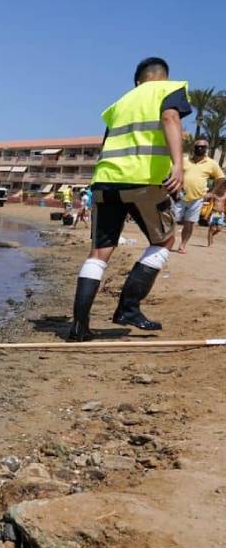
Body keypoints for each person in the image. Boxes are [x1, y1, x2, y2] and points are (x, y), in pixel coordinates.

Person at [67, 57, 190, 342]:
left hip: (105, 181)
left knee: (99, 252)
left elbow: (107, 143)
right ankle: (128, 308)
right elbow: (170, 118)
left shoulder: (119, 104)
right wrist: (178, 165)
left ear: (137, 80)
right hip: (142, 181)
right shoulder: (169, 89)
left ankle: (79, 327)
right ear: (164, 76)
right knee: (164, 241)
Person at [174, 139, 226, 254]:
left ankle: (182, 245)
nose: (200, 148)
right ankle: (165, 242)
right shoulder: (185, 160)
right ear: (194, 147)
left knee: (189, 223)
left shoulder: (211, 163)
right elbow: (174, 172)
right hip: (180, 196)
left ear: (206, 149)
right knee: (171, 220)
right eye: (197, 146)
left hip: (197, 199)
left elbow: (221, 178)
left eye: (202, 147)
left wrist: (212, 192)